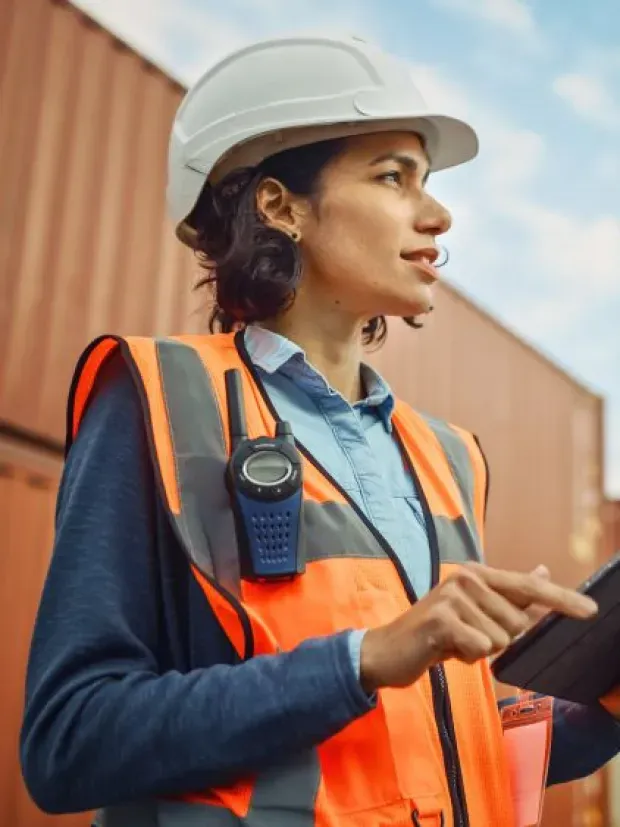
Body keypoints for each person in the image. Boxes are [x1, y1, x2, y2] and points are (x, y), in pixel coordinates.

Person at [20, 35, 620, 827]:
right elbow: (69, 741)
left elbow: (438, 746)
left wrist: (604, 708)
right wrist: (363, 657)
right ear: (280, 206)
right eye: (392, 177)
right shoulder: (159, 399)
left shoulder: (447, 456)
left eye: (427, 182)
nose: (438, 214)